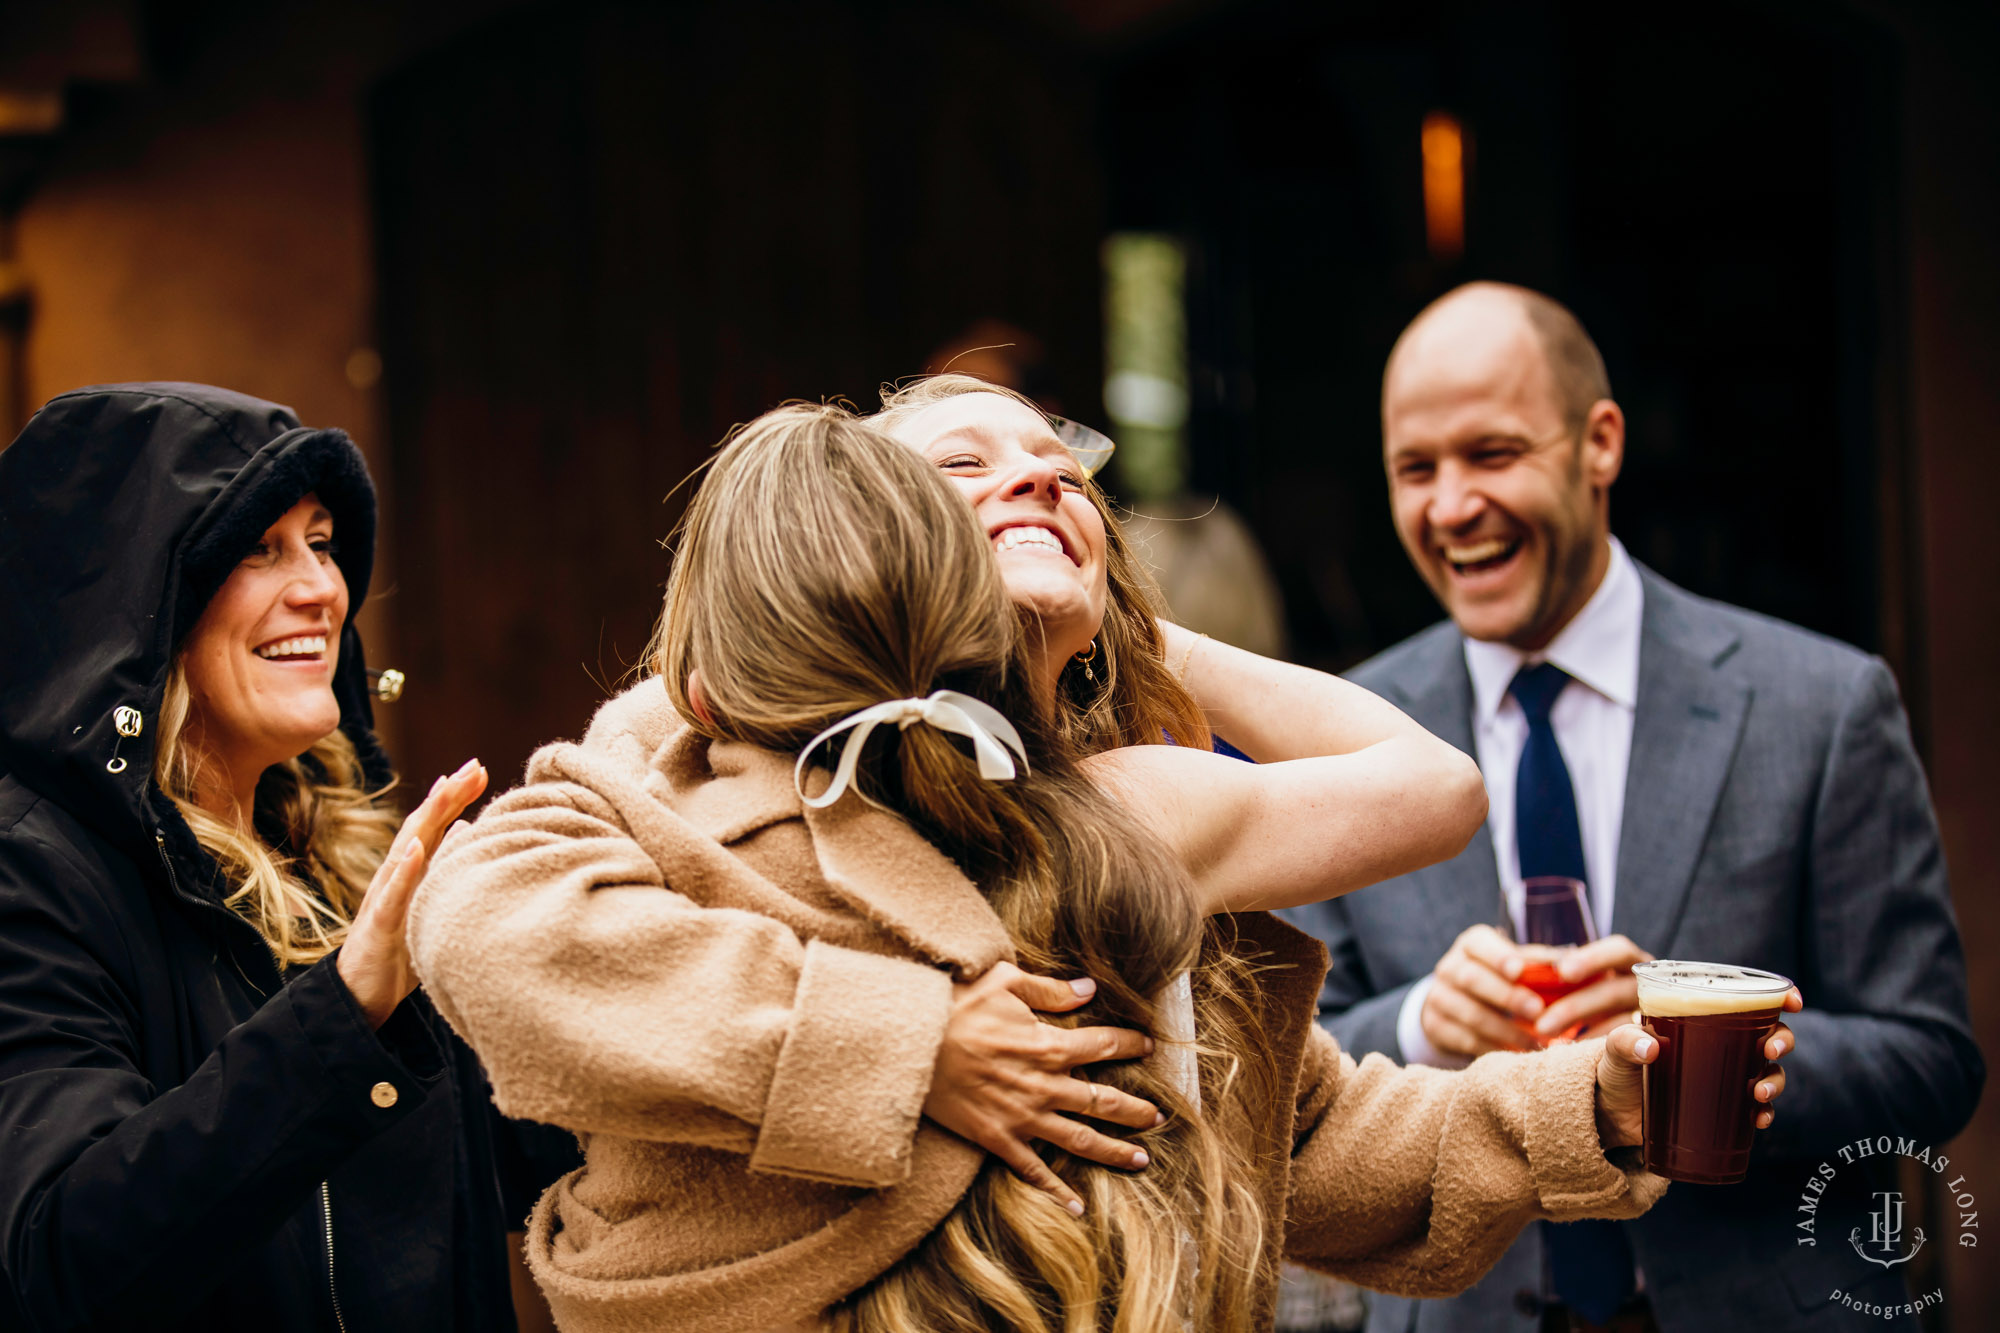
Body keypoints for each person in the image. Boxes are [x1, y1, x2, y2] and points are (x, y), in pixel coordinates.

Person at [410, 399, 1794, 1331]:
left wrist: (1588, 1107)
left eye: (1065, 472)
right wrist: (906, 1047)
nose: (1037, 479)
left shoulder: (1133, 817)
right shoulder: (702, 752)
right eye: (963, 469)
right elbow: (494, 927)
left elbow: (1303, 1146)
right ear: (855, 546)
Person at [1281, 283, 1982, 1333]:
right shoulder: (1342, 729)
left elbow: (1928, 1062)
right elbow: (1289, 1063)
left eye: (1492, 452)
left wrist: (1707, 1050)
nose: (1449, 506)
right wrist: (1424, 1023)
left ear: (1597, 443)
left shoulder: (1821, 705)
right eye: (1413, 469)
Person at [0, 383, 535, 1331]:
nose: (323, 589)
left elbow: (496, 1159)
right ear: (133, 608)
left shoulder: (334, 871)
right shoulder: (34, 879)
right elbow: (59, 1262)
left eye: (322, 543)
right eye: (258, 547)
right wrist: (344, 1014)